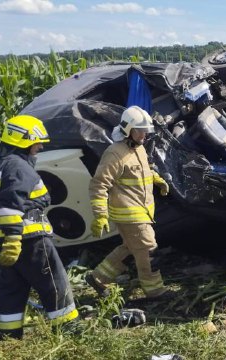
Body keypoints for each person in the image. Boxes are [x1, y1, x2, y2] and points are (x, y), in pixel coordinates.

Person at [0, 115, 78, 339]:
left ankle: (9, 337)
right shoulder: (18, 167)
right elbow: (10, 205)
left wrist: (8, 241)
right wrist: (14, 238)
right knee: (53, 282)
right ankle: (69, 331)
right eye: (37, 142)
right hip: (29, 239)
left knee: (12, 288)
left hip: (1, 241)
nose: (40, 147)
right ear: (24, 141)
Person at [85, 106, 172, 300]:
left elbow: (143, 170)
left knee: (131, 247)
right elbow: (99, 185)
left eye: (145, 130)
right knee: (148, 250)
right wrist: (100, 215)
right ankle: (155, 291)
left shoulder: (138, 148)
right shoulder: (115, 153)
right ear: (127, 129)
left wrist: (156, 179)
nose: (143, 135)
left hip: (142, 212)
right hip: (129, 215)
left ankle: (98, 278)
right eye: (139, 130)